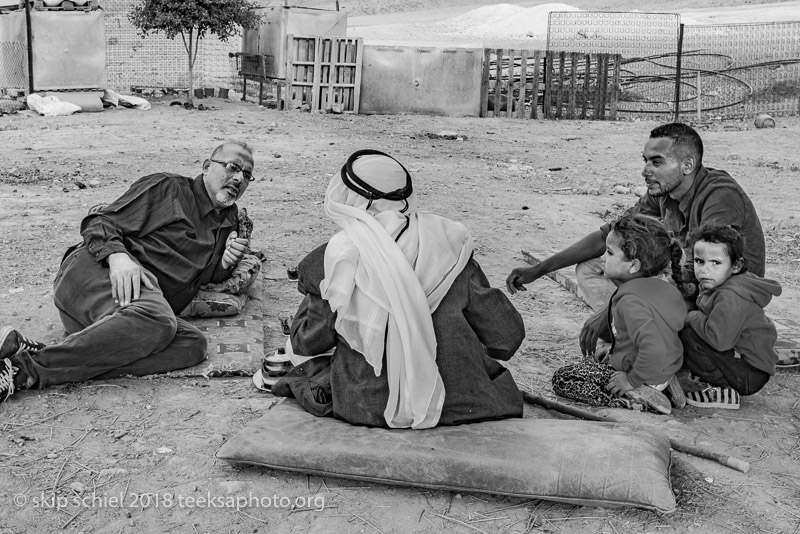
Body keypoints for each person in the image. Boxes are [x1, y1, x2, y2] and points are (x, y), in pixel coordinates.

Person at [275, 149, 524, 428]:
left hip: (367, 406)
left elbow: (308, 342)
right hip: (464, 403)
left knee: (311, 369)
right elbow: (506, 338)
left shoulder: (332, 259)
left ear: (349, 199)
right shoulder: (449, 247)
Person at [0, 141, 255, 402]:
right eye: (233, 167)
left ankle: (50, 356)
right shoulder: (168, 189)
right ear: (206, 167)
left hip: (123, 323)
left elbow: (205, 277)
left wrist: (224, 264)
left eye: (247, 175)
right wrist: (118, 257)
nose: (238, 178)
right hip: (94, 276)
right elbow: (99, 221)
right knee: (159, 321)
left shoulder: (230, 220)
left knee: (192, 345)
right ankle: (21, 371)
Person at [506, 122, 766, 358]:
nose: (645, 171)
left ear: (687, 165)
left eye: (656, 162)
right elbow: (608, 235)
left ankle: (642, 346)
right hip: (688, 278)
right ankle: (625, 332)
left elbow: (712, 274)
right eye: (645, 161)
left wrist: (612, 309)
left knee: (632, 303)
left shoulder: (719, 196)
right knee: (593, 266)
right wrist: (539, 269)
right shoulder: (664, 191)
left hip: (719, 295)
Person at [551, 214, 687, 415]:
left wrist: (630, 380)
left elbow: (654, 347)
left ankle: (639, 399)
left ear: (634, 265)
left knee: (563, 378)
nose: (603, 258)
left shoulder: (630, 302)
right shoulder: (666, 288)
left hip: (644, 375)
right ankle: (664, 384)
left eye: (609, 253)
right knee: (598, 358)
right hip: (666, 366)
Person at [681, 224, 782, 410]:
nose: (705, 270)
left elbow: (720, 341)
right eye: (699, 261)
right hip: (747, 361)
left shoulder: (731, 295)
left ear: (736, 265)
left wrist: (692, 316)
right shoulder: (721, 282)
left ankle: (723, 390)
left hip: (749, 374)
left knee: (689, 336)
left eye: (715, 263)